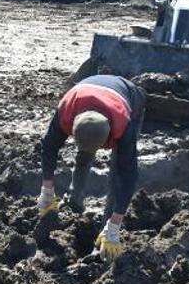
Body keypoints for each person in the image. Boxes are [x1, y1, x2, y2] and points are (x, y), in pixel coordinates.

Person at [38, 75, 145, 261]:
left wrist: (115, 224)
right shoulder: (66, 110)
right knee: (84, 156)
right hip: (86, 93)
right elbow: (49, 146)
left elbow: (129, 176)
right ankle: (75, 201)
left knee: (117, 172)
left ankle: (107, 225)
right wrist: (47, 189)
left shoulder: (123, 124)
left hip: (130, 98)